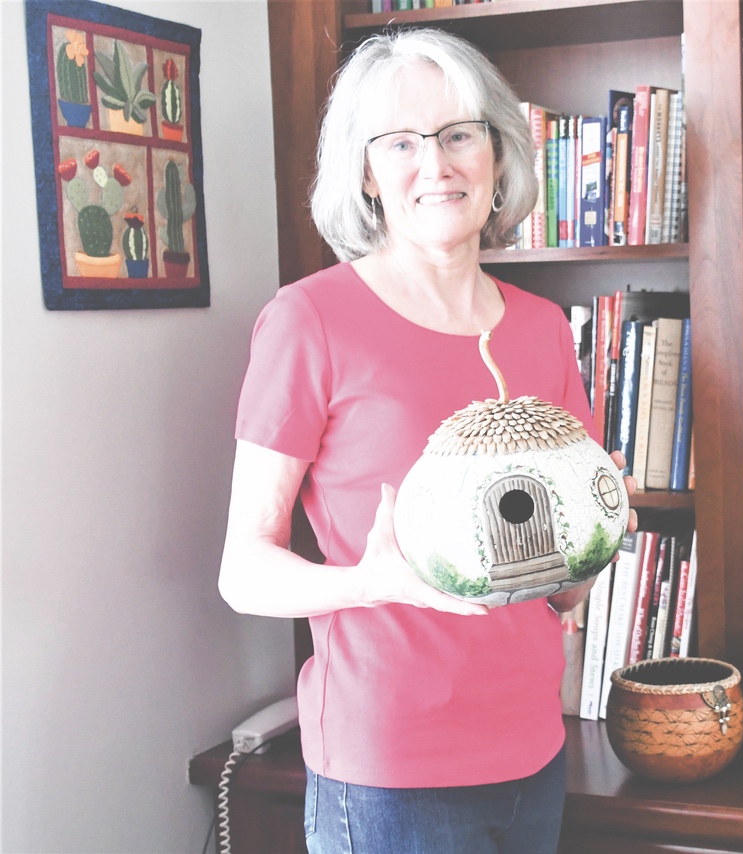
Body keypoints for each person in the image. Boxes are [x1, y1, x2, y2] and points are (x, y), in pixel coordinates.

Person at [218, 27, 635, 854]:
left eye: (458, 134)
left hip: (532, 744)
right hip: (388, 767)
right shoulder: (311, 321)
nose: (436, 164)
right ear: (366, 172)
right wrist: (373, 584)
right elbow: (243, 571)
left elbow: (559, 587)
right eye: (401, 142)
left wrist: (595, 546)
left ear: (498, 154)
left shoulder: (544, 328)